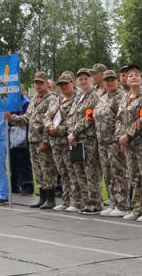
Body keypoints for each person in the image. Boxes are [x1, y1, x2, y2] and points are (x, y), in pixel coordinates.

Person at [7, 72, 57, 209]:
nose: (38, 85)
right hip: (32, 139)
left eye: (41, 82)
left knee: (48, 169)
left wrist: (46, 141)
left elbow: (51, 120)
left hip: (43, 139)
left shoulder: (52, 99)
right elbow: (26, 118)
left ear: (47, 84)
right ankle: (42, 197)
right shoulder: (34, 99)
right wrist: (12, 118)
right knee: (38, 170)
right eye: (36, 83)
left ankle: (51, 198)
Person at [116, 64, 142, 222]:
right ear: (126, 80)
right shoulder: (125, 99)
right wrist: (120, 135)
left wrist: (128, 133)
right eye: (129, 75)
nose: (132, 77)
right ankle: (137, 208)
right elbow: (119, 120)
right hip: (129, 146)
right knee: (134, 177)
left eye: (136, 75)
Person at [67, 68, 103, 214]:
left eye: (86, 78)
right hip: (76, 140)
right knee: (80, 171)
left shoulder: (93, 96)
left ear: (91, 80)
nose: (83, 81)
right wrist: (71, 133)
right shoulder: (79, 97)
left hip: (88, 140)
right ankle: (85, 201)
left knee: (91, 172)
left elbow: (89, 118)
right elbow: (71, 116)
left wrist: (74, 132)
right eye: (80, 79)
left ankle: (94, 203)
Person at [94, 70, 128, 217]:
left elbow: (124, 119)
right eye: (107, 80)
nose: (109, 82)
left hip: (115, 141)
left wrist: (121, 141)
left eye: (112, 79)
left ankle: (123, 204)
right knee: (108, 173)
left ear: (117, 81)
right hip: (102, 142)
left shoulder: (121, 97)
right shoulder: (102, 97)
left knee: (119, 173)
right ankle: (113, 201)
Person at [46, 72, 77, 211]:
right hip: (56, 143)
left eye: (66, 84)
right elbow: (46, 116)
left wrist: (58, 129)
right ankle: (66, 200)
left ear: (72, 83)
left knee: (73, 173)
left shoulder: (77, 99)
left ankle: (76, 201)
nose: (64, 87)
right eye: (61, 85)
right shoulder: (57, 100)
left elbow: (73, 121)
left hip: (68, 141)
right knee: (62, 172)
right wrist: (49, 126)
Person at [7, 93, 34, 197]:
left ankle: (27, 186)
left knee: (23, 161)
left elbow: (26, 119)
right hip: (11, 134)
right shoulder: (10, 103)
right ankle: (14, 185)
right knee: (12, 161)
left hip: (22, 134)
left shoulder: (25, 103)